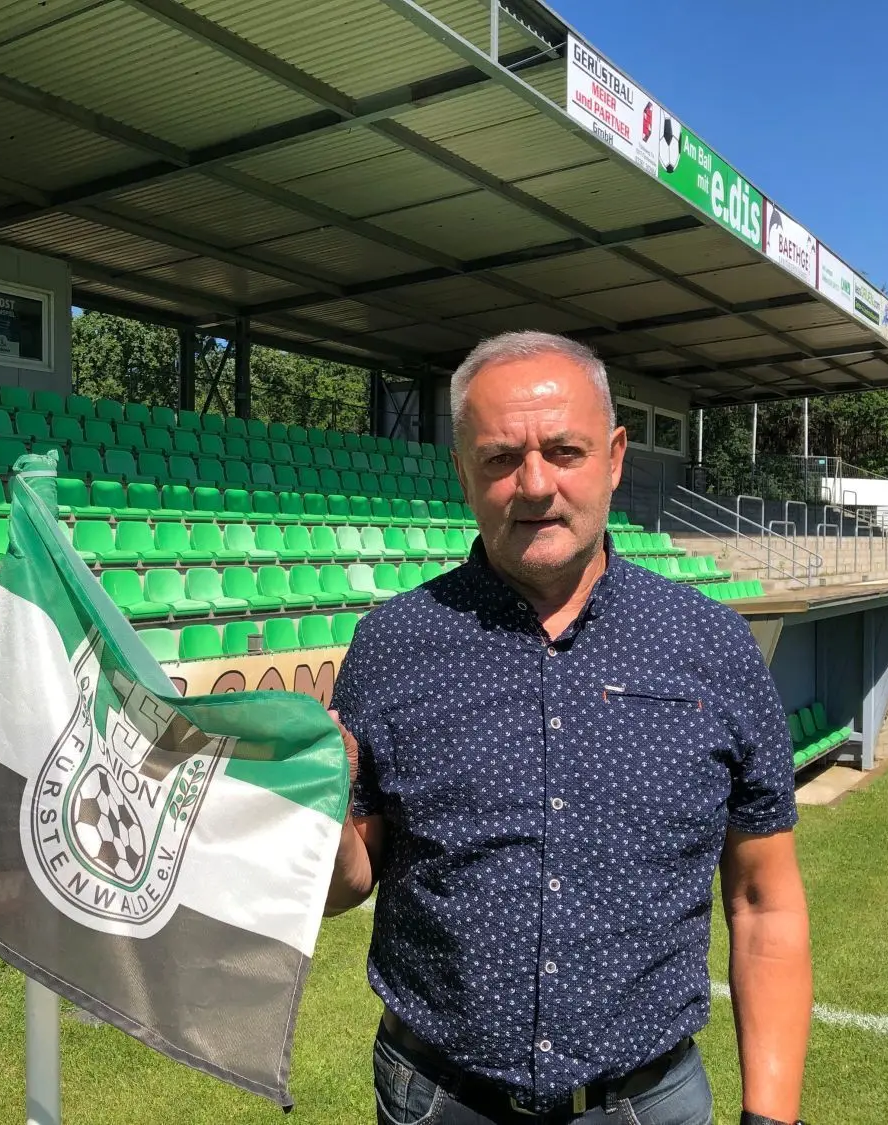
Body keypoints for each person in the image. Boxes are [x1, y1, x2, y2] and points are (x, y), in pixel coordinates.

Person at [327, 331, 812, 1125]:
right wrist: (311, 819)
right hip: (440, 1099)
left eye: (565, 450)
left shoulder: (713, 647)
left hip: (647, 1104)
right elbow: (350, 881)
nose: (534, 484)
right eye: (498, 458)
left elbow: (766, 902)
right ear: (461, 471)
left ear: (615, 457)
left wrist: (772, 1118)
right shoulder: (392, 644)